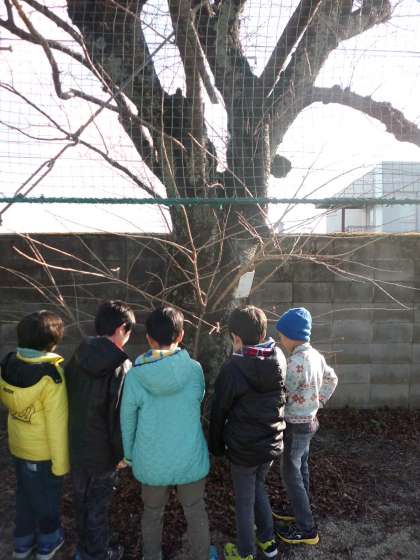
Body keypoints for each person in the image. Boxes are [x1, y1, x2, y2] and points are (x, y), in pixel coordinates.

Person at [120, 306, 218, 560]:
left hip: (151, 459)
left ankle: (152, 556)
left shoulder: (135, 376)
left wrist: (129, 455)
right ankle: (202, 556)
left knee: (152, 513)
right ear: (181, 335)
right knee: (195, 510)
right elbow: (198, 398)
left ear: (148, 338)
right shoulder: (194, 369)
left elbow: (127, 420)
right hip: (189, 456)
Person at [209, 306, 287, 560]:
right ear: (263, 333)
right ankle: (268, 541)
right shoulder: (278, 357)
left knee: (244, 500)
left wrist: (216, 445)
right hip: (270, 443)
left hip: (243, 449)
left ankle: (245, 553)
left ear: (236, 337)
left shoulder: (233, 368)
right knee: (258, 487)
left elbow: (219, 410)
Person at [65, 300, 135, 560]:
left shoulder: (79, 353)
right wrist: (122, 454)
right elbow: (120, 418)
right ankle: (97, 553)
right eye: (129, 331)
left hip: (76, 443)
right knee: (97, 504)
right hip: (103, 453)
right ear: (121, 328)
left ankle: (85, 547)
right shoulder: (122, 366)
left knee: (81, 499)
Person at [0, 310, 69, 560]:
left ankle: (22, 543)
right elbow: (57, 425)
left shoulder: (8, 364)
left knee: (24, 494)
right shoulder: (51, 376)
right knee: (46, 499)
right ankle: (48, 542)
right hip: (43, 454)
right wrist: (61, 465)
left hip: (19, 446)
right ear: (53, 341)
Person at [275, 307, 338, 545]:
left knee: (290, 473)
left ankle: (306, 527)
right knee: (301, 468)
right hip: (310, 422)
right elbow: (332, 378)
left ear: (292, 336)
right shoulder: (316, 356)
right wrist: (319, 400)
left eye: (282, 336)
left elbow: (283, 393)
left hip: (294, 425)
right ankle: (299, 509)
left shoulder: (294, 363)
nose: (281, 340)